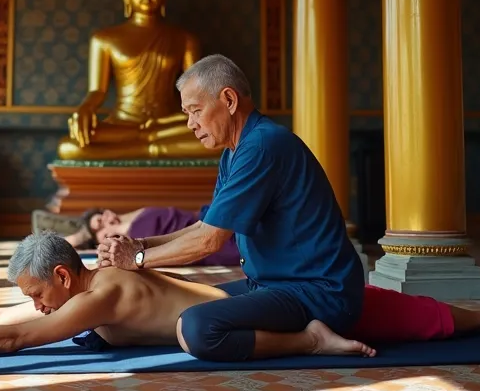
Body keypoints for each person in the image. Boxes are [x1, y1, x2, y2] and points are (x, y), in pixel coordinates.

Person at [0, 232, 480, 369]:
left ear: (62, 275)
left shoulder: (101, 294)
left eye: (37, 293)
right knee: (386, 311)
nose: (34, 306)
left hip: (258, 299)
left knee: (386, 316)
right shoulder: (75, 293)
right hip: (241, 297)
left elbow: (16, 339)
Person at [96, 54, 368, 362]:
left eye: (196, 111)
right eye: (187, 114)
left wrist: (138, 259)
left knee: (198, 326)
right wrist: (141, 245)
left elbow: (209, 241)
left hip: (319, 294)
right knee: (174, 293)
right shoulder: (234, 152)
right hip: (269, 287)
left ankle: (312, 340)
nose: (190, 124)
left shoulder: (263, 146)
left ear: (228, 99)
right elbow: (205, 225)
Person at [71, 206, 242, 266]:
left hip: (208, 220)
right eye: (100, 227)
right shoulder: (129, 234)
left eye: (101, 217)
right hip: (204, 240)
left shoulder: (135, 217)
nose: (107, 221)